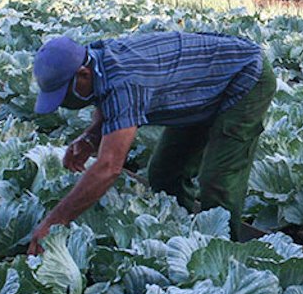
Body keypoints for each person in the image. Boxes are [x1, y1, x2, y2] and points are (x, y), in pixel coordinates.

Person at [27, 31, 275, 254]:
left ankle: (225, 253)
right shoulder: (96, 57)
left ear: (83, 74)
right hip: (197, 88)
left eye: (63, 94)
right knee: (165, 172)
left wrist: (55, 221)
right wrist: (91, 137)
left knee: (217, 181)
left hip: (245, 77)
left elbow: (108, 168)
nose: (63, 102)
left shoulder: (125, 82)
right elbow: (105, 97)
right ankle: (184, 238)